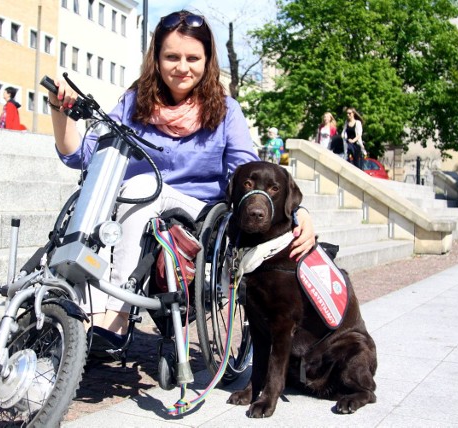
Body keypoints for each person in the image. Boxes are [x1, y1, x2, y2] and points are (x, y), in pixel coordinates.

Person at [47, 10, 316, 342]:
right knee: (104, 198)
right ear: (157, 60)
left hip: (198, 211)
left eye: (193, 57)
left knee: (144, 186)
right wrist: (60, 111)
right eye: (171, 56)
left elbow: (250, 177)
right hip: (132, 205)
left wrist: (297, 211)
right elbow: (84, 156)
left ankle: (115, 314)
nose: (182, 67)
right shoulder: (133, 104)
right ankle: (84, 317)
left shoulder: (226, 111)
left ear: (207, 61)